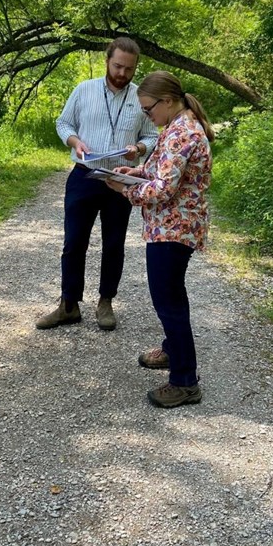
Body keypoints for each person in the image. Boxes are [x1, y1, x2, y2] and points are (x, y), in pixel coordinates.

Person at [104, 70, 214, 408]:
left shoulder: (183, 133)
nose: (147, 115)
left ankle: (185, 381)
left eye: (149, 109)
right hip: (169, 227)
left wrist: (126, 192)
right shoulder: (175, 127)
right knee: (171, 296)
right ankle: (172, 350)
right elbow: (161, 171)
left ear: (167, 101)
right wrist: (133, 172)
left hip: (175, 229)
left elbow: (164, 188)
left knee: (168, 300)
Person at [36, 38, 158, 331]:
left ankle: (106, 302)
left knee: (114, 244)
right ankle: (68, 305)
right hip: (84, 174)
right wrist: (75, 141)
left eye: (129, 69)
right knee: (73, 241)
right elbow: (63, 123)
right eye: (117, 66)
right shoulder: (84, 89)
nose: (122, 73)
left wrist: (139, 149)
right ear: (107, 61)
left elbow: (153, 135)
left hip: (120, 180)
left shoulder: (140, 97)